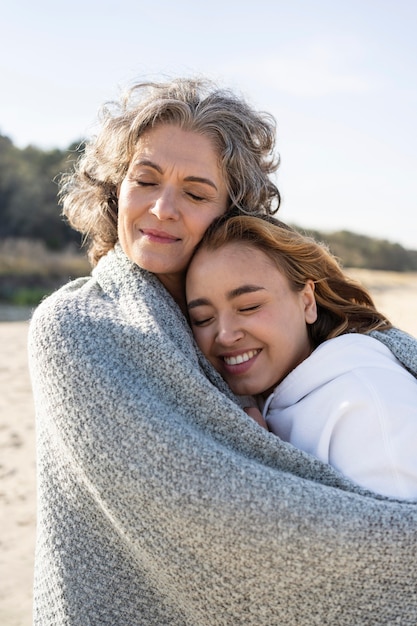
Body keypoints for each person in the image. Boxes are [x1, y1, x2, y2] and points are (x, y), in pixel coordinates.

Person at [28, 77, 417, 626]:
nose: (163, 208)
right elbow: (202, 504)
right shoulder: (76, 325)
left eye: (195, 192)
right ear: (115, 188)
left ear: (229, 211)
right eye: (145, 180)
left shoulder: (322, 355)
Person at [185, 214, 417, 500]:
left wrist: (266, 470)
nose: (225, 335)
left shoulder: (367, 407)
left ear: (307, 302)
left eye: (248, 306)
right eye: (202, 318)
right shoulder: (268, 392)